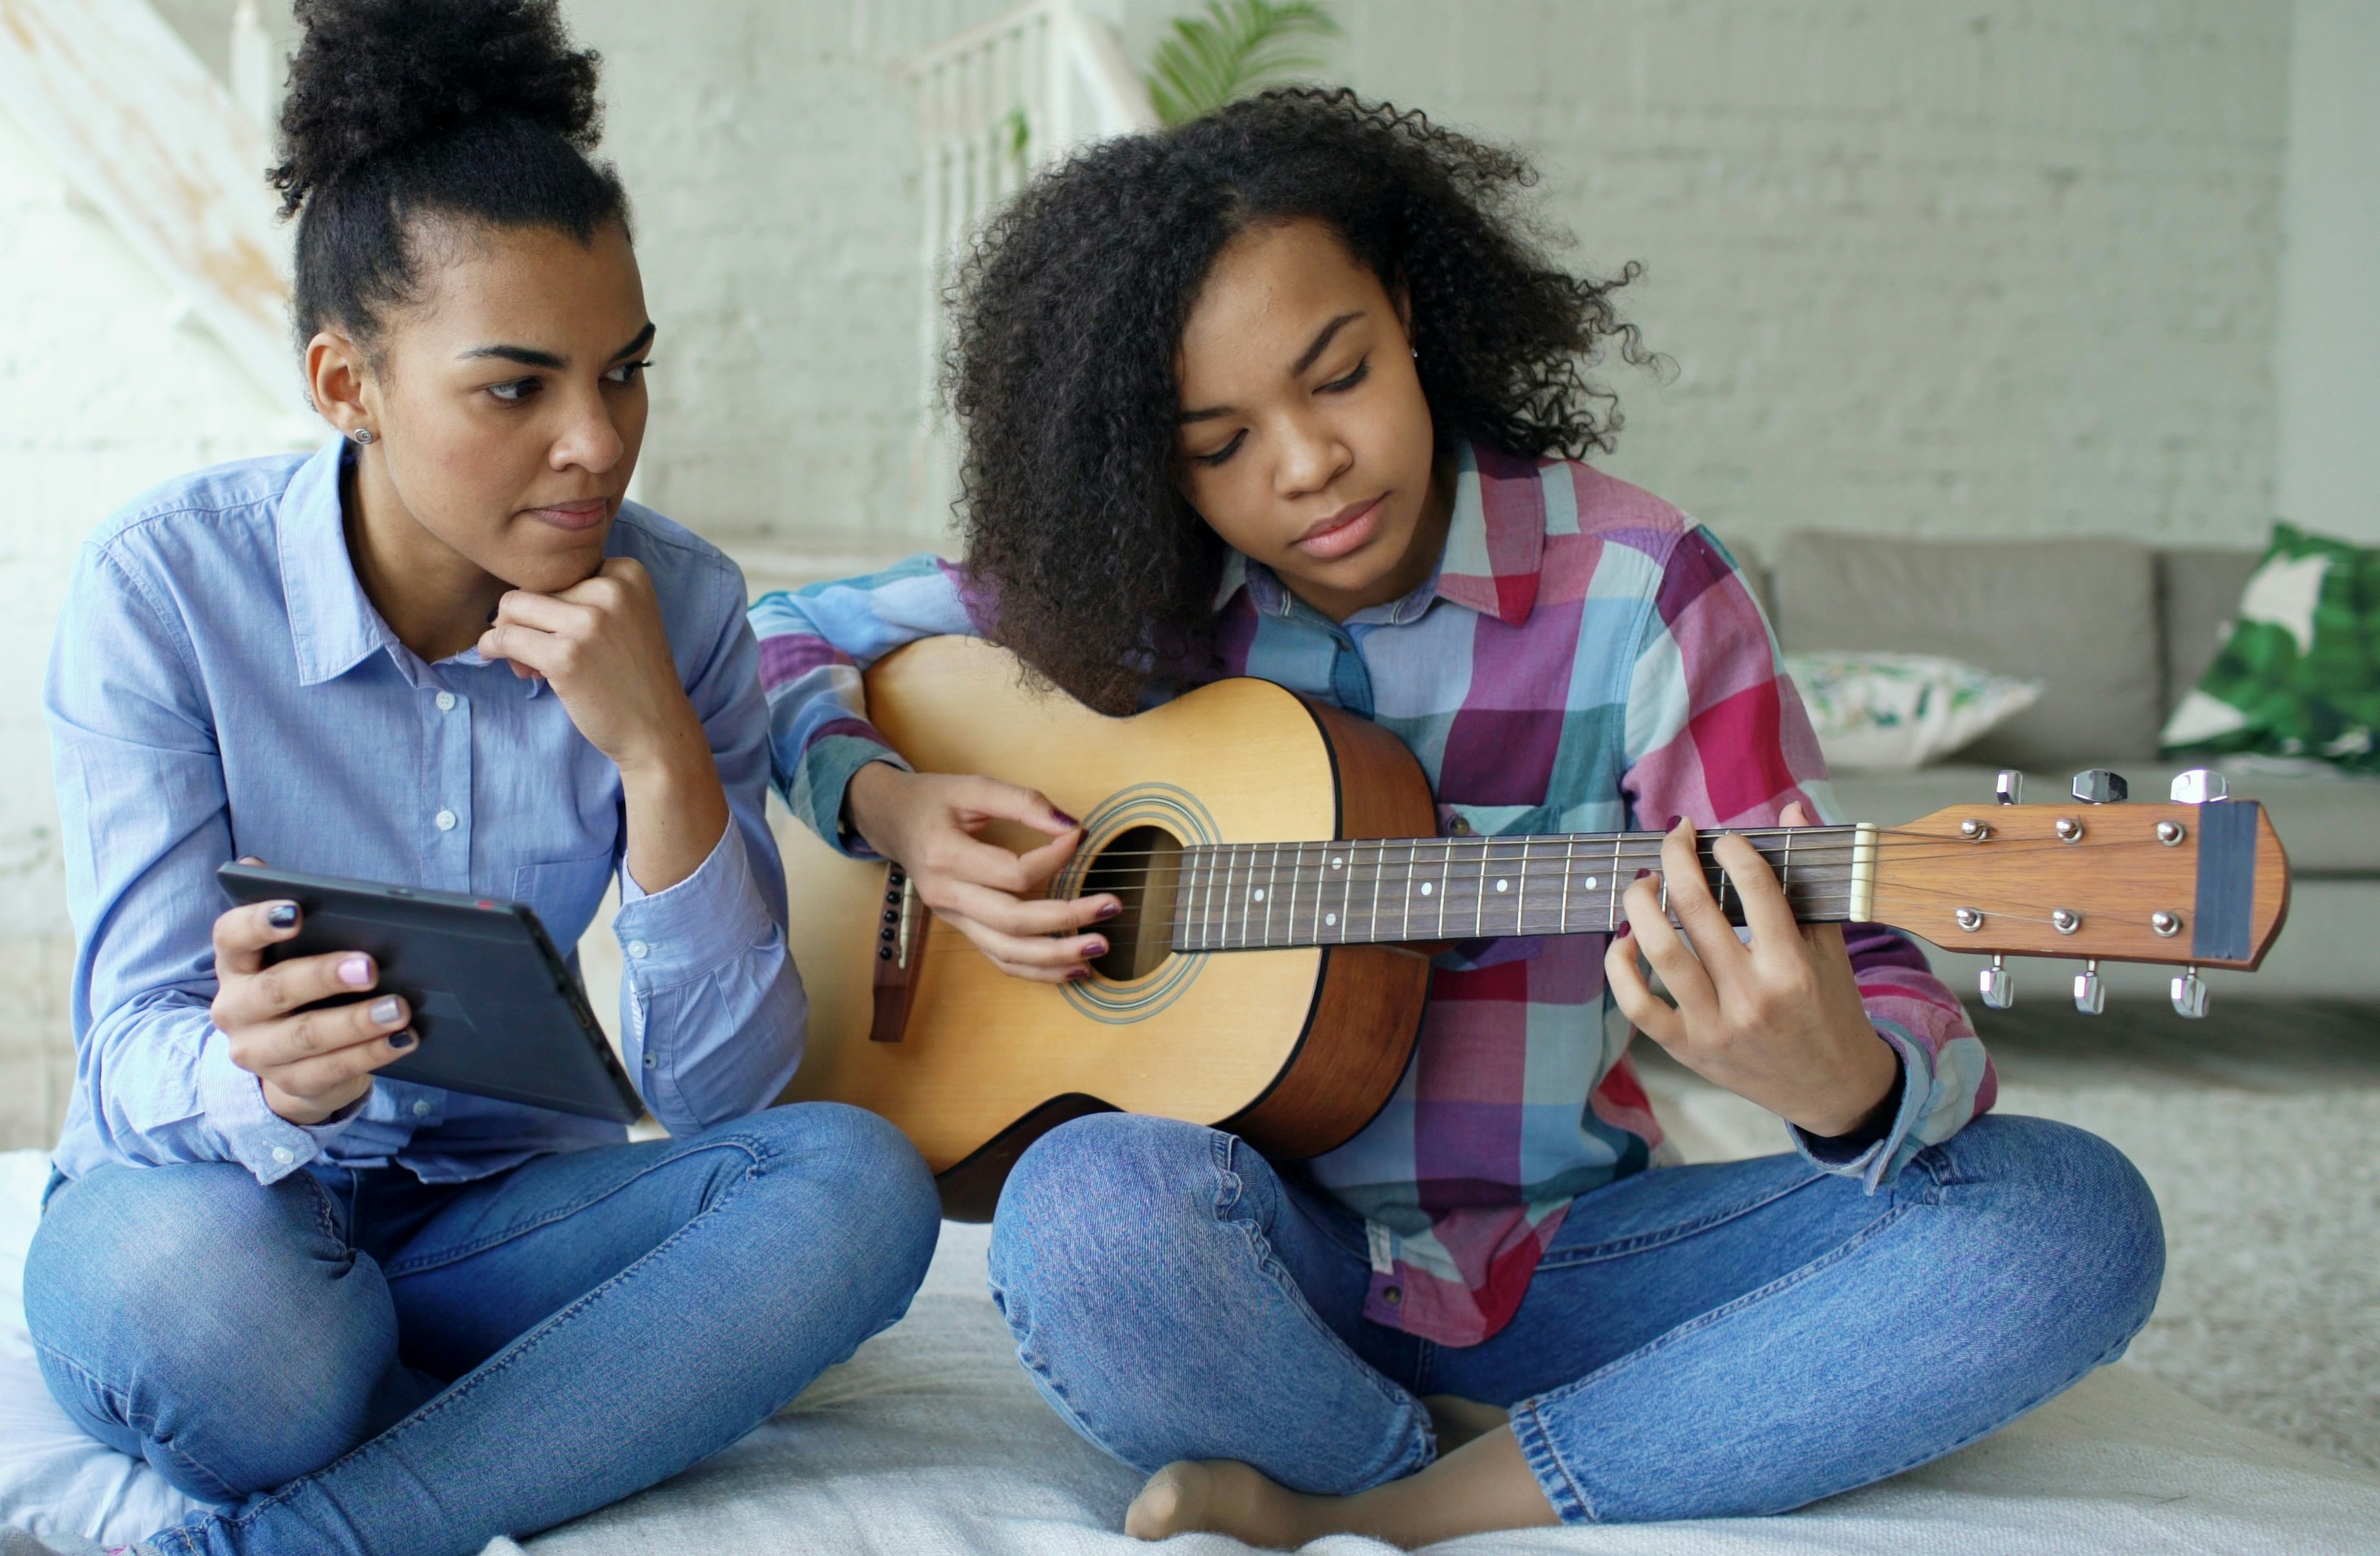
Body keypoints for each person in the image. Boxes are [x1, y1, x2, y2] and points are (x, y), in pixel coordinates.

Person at [751, 89, 2163, 1546]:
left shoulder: (1641, 589)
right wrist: (894, 808)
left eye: (1339, 375)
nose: (1305, 464)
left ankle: (1415, 1502)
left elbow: (1872, 975)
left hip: (1572, 1259)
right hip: (1262, 1261)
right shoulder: (1117, 593)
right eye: (1217, 442)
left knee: (2069, 1218)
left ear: (1411, 313)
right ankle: (1510, 1450)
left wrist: (1840, 1083)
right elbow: (779, 633)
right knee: (1080, 1212)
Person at [21, 0, 940, 1556]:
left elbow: (715, 1097)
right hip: (218, 1203)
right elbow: (132, 1055)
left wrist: (665, 761)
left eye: (624, 370)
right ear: (345, 385)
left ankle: (319, 1529)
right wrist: (261, 1067)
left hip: (501, 1225)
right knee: (227, 1342)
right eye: (515, 386)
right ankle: (529, 1412)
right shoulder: (165, 592)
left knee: (857, 1188)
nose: (596, 440)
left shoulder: (687, 608)